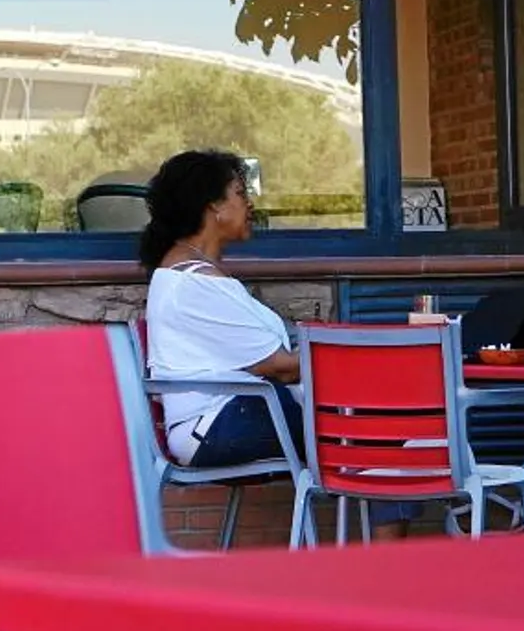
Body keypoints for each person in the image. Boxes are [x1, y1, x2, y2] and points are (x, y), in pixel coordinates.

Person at [141, 149, 418, 540]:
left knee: (384, 424)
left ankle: (390, 559)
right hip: (221, 424)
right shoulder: (193, 285)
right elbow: (282, 366)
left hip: (237, 412)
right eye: (239, 193)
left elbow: (277, 360)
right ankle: (393, 566)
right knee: (381, 430)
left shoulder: (192, 274)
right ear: (213, 208)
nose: (249, 203)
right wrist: (357, 360)